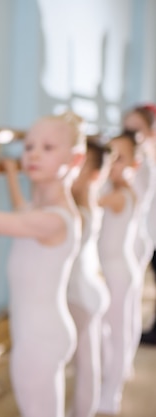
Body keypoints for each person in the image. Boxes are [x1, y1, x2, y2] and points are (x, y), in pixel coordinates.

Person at [0, 111, 85, 417]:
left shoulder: (54, 219)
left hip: (40, 336)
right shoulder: (40, 209)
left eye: (48, 148)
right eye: (29, 146)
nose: (34, 154)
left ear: (75, 161)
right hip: (39, 331)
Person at [97, 131, 143, 415]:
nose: (111, 163)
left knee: (117, 333)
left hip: (119, 272)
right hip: (111, 270)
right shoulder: (114, 191)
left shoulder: (119, 195)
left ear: (134, 165)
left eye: (119, 158)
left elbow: (87, 203)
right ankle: (108, 388)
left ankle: (111, 396)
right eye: (109, 156)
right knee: (110, 333)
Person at [66, 139, 112, 417]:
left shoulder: (77, 212)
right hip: (91, 289)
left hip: (80, 295)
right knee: (88, 362)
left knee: (84, 365)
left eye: (78, 166)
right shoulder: (92, 205)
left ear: (94, 175)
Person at [123, 104, 156, 346]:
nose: (129, 135)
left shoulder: (142, 161)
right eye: (126, 129)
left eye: (136, 129)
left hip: (145, 233)